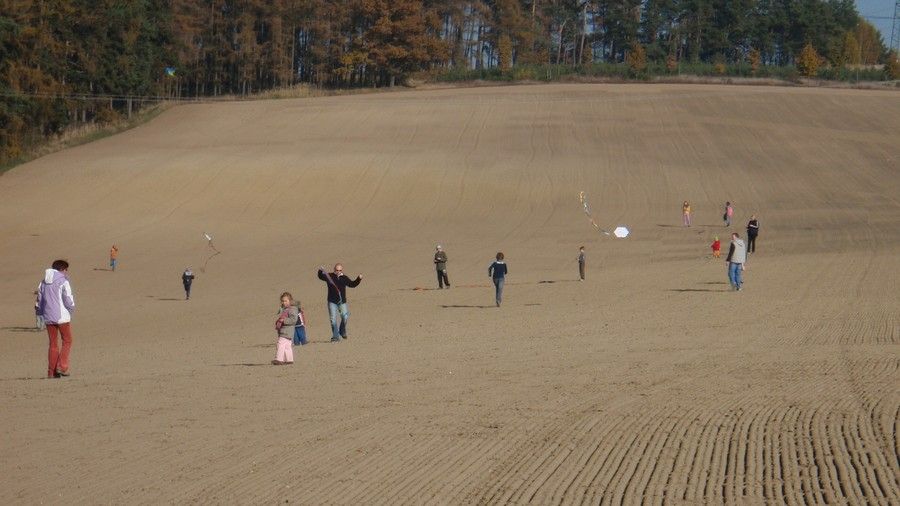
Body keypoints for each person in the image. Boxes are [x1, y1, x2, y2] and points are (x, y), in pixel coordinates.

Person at [37, 259, 75, 378]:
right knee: (67, 340)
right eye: (66, 269)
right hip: (62, 316)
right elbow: (68, 299)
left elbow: (39, 300)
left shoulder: (43, 282)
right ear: (62, 269)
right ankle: (61, 367)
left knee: (53, 343)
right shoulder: (63, 281)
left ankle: (51, 372)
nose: (66, 272)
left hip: (48, 316)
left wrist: (40, 313)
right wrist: (71, 309)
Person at [317, 264, 362, 342]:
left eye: (340, 270)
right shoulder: (330, 276)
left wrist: (359, 279)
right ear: (334, 269)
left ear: (342, 270)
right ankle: (335, 336)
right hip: (332, 301)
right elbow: (320, 276)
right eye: (337, 270)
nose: (338, 272)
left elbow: (352, 284)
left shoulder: (344, 278)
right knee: (333, 319)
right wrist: (320, 271)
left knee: (345, 317)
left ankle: (342, 330)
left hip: (342, 302)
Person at [273, 292, 298, 365]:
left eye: (286, 301)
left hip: (286, 331)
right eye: (282, 301)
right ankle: (289, 359)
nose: (284, 303)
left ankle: (279, 359)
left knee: (280, 344)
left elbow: (294, 320)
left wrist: (284, 320)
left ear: (290, 301)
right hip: (286, 331)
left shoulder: (292, 309)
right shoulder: (285, 309)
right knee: (287, 346)